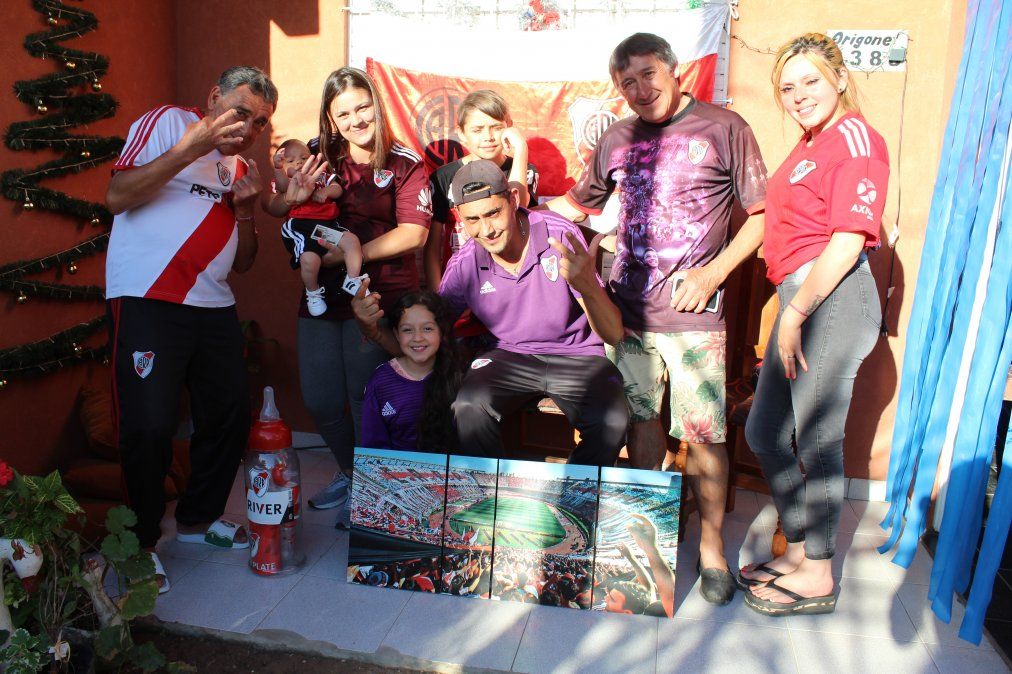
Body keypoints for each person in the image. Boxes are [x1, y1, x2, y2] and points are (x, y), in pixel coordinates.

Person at [544, 32, 769, 605]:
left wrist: (714, 273)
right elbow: (578, 205)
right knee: (642, 424)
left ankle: (713, 548)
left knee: (703, 435)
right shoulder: (616, 139)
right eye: (628, 83)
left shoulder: (724, 127)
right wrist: (520, 203)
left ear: (674, 70)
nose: (642, 89)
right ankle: (649, 542)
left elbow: (763, 217)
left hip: (695, 317)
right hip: (629, 316)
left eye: (649, 75)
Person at [104, 66, 277, 592]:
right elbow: (117, 195)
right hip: (148, 297)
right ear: (212, 98)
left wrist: (246, 212)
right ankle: (139, 545)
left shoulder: (238, 168)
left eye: (261, 122)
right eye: (241, 111)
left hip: (214, 305)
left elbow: (244, 263)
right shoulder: (169, 122)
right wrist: (192, 145)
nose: (249, 127)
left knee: (228, 414)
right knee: (150, 425)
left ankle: (198, 521)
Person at [740, 33, 887, 617]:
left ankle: (819, 574)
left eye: (811, 81)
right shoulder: (809, 143)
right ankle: (800, 552)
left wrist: (795, 314)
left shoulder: (855, 137)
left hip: (833, 296)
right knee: (766, 434)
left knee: (818, 438)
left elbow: (849, 238)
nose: (799, 95)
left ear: (840, 79)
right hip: (801, 294)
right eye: (787, 86)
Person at [354, 160, 628, 466]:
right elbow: (428, 335)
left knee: (613, 420)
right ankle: (492, 498)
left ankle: (571, 500)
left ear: (512, 200)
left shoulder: (559, 236)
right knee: (468, 405)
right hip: (509, 355)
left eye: (493, 213)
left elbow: (615, 335)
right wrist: (373, 329)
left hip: (579, 355)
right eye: (473, 219)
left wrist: (588, 287)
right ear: (460, 218)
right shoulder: (467, 262)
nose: (486, 229)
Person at [263, 67, 431, 525]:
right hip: (318, 295)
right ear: (331, 119)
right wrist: (286, 200)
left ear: (377, 103)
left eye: (363, 106)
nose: (357, 119)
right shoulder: (314, 154)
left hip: (376, 296)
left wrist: (339, 258)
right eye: (344, 113)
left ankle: (372, 495)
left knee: (363, 395)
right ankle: (352, 473)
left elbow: (413, 234)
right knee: (319, 398)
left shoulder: (404, 161)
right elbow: (277, 202)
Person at [424, 89, 539, 290]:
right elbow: (432, 248)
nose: (488, 137)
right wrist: (437, 299)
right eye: (477, 130)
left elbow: (518, 203)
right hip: (463, 282)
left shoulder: (523, 170)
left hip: (512, 281)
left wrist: (521, 149)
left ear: (509, 126)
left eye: (496, 127)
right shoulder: (443, 177)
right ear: (461, 133)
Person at [359, 291, 462, 451]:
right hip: (396, 472)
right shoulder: (380, 383)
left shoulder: (457, 376)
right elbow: (373, 446)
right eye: (407, 330)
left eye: (427, 329)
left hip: (451, 471)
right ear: (396, 334)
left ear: (441, 332)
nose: (418, 338)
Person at [273, 139, 363, 316]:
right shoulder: (289, 179)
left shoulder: (320, 174)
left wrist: (326, 191)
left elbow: (337, 188)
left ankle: (352, 280)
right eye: (290, 161)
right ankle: (313, 293)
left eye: (304, 157)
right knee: (309, 260)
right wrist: (278, 170)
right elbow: (282, 188)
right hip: (301, 228)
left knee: (351, 242)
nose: (298, 163)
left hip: (323, 228)